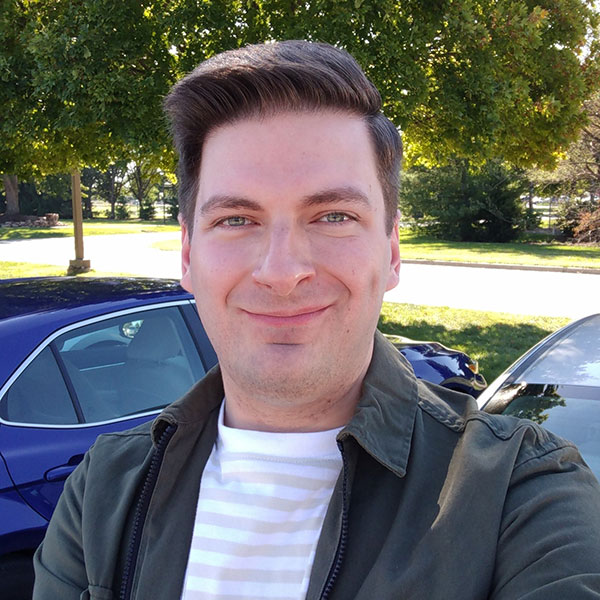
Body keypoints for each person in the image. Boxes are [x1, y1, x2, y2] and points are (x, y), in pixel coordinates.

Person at [33, 41, 600, 600]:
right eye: (236, 220)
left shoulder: (519, 493)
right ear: (187, 255)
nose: (282, 272)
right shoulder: (103, 492)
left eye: (333, 216)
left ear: (392, 252)